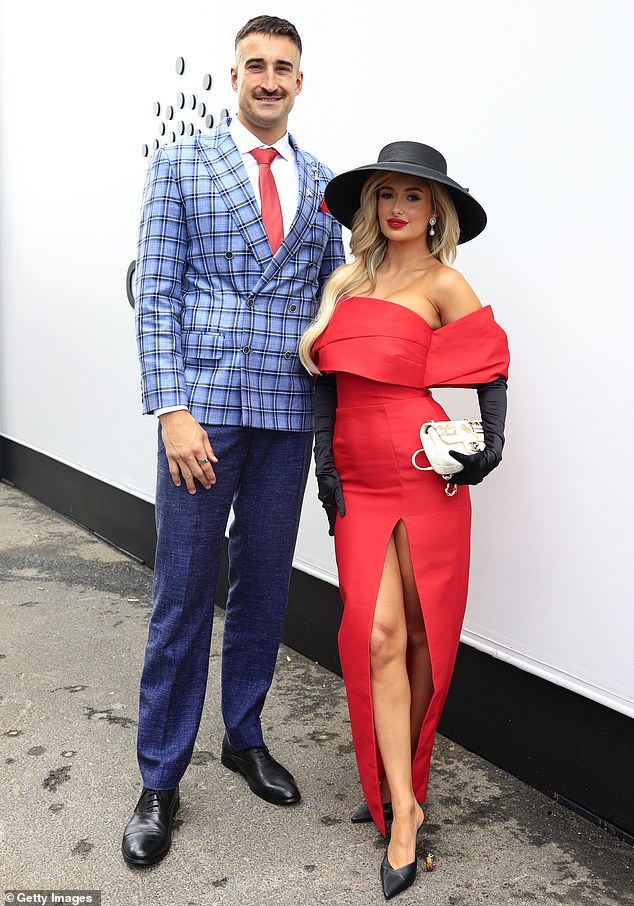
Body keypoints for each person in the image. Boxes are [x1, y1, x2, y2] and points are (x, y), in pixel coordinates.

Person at [122, 15, 345, 867]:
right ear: (234, 75)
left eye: (284, 67)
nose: (269, 78)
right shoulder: (181, 165)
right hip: (203, 415)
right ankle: (159, 777)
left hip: (287, 413)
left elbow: (333, 299)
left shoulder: (323, 183)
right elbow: (160, 292)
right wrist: (170, 408)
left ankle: (242, 734)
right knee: (182, 592)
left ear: (299, 81)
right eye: (256, 64)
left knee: (262, 589)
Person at [299, 141, 509, 899]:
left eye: (413, 197)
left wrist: (485, 454)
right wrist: (327, 473)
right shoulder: (346, 282)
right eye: (385, 194)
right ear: (370, 206)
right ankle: (399, 793)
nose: (396, 207)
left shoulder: (445, 282)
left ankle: (403, 803)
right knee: (375, 634)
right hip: (357, 479)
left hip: (425, 479)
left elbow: (490, 370)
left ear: (435, 212)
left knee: (419, 636)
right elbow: (324, 387)